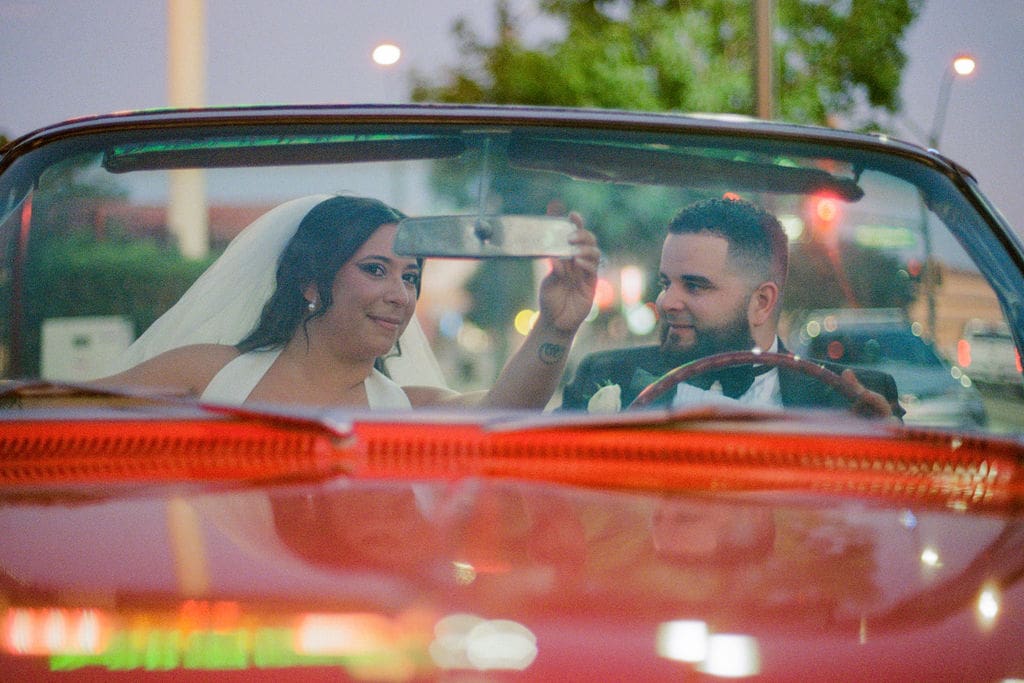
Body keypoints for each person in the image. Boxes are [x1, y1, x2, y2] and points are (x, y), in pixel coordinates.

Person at [96, 194, 599, 409]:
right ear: (311, 282)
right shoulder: (204, 373)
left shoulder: (407, 406)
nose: (399, 296)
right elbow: (57, 414)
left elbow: (503, 412)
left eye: (411, 277)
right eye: (375, 270)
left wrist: (556, 327)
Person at [561, 196, 903, 417]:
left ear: (762, 302)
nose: (666, 302)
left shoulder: (850, 401)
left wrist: (883, 449)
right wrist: (555, 328)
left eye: (694, 285)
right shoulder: (606, 376)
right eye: (666, 283)